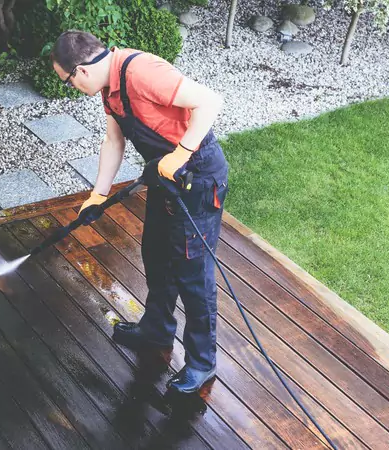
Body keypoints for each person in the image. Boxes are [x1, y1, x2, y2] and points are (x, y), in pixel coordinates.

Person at [51, 30, 229, 394]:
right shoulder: (109, 89)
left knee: (194, 275)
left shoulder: (140, 71)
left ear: (81, 71)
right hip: (166, 179)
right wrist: (98, 195)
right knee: (157, 255)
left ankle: (201, 363)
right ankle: (157, 330)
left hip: (198, 179)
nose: (72, 88)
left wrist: (180, 155)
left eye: (68, 81)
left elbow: (210, 101)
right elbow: (113, 141)